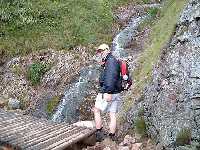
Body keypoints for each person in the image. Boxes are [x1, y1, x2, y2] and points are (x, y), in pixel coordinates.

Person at [93, 43, 122, 142]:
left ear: (107, 50)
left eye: (102, 51)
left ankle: (99, 132)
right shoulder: (111, 61)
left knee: (96, 110)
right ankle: (112, 136)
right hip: (115, 92)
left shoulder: (111, 61)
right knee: (112, 114)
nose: (100, 53)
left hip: (108, 92)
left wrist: (108, 91)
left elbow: (110, 77)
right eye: (99, 51)